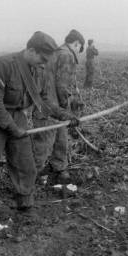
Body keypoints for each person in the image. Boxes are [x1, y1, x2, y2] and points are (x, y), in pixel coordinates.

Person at [0, 31, 79, 219]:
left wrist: (65, 115)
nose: (45, 63)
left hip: (18, 117)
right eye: (42, 58)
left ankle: (25, 204)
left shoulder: (40, 70)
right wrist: (12, 128)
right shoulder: (4, 65)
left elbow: (44, 101)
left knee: (25, 163)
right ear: (31, 50)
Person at [32, 29, 85, 182]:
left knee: (61, 138)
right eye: (78, 48)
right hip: (51, 106)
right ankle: (31, 176)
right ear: (76, 43)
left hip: (48, 103)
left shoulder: (55, 52)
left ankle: (59, 167)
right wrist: (65, 109)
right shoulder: (67, 55)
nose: (78, 51)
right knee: (44, 143)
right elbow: (63, 85)